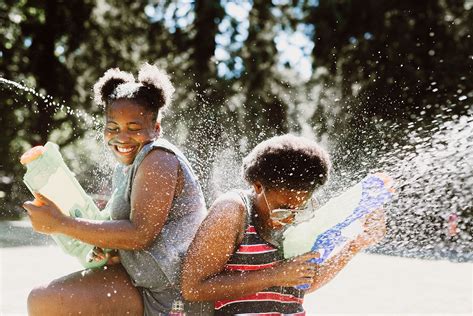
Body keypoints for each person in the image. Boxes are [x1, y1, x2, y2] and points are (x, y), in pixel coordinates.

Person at [23, 63, 210, 315]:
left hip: (171, 294)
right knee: (45, 298)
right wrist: (111, 249)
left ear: (156, 128)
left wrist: (61, 223)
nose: (121, 138)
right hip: (143, 281)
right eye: (113, 128)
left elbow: (141, 234)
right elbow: (127, 232)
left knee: (44, 300)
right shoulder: (127, 167)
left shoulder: (158, 158)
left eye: (134, 129)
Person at [181, 134, 386, 315]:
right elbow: (193, 287)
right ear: (258, 186)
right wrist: (275, 275)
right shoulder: (232, 212)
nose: (291, 217)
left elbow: (305, 282)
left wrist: (356, 244)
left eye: (300, 207)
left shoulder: (300, 216)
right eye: (283, 208)